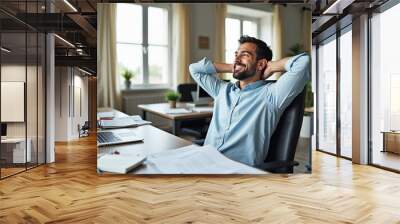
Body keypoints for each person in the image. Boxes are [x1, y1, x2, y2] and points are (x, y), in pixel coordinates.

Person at [188, 35, 310, 168]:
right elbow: (194, 69)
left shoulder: (272, 94)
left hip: (236, 169)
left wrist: (270, 67)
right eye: (236, 54)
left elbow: (304, 63)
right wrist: (233, 67)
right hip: (204, 161)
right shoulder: (222, 90)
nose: (237, 58)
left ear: (260, 64)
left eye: (244, 55)